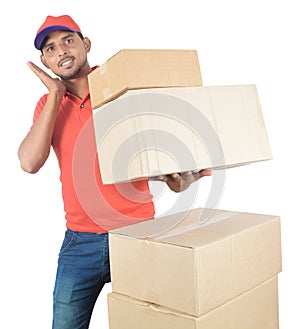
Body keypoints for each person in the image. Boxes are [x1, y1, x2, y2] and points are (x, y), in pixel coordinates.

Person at [18, 15, 212, 329]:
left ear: (86, 44)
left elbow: (151, 155)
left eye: (68, 40)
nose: (62, 51)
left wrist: (174, 179)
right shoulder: (47, 105)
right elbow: (29, 163)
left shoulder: (121, 89)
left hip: (139, 233)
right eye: (51, 48)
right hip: (80, 243)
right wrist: (55, 95)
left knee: (147, 323)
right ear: (45, 60)